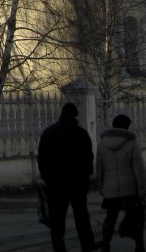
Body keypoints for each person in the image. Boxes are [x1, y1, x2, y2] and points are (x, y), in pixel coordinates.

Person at [37, 101, 96, 252]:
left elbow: (41, 157)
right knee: (82, 217)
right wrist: (86, 176)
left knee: (57, 220)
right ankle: (87, 246)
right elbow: (88, 158)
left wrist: (46, 176)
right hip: (77, 183)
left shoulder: (49, 133)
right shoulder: (81, 134)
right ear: (75, 116)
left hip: (55, 183)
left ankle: (59, 247)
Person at [96, 113, 146, 251]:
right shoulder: (131, 143)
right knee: (137, 218)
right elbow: (139, 169)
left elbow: (99, 168)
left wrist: (101, 188)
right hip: (130, 189)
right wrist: (142, 190)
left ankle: (106, 245)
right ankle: (139, 245)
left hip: (109, 188)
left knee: (110, 218)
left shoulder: (102, 144)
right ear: (127, 126)